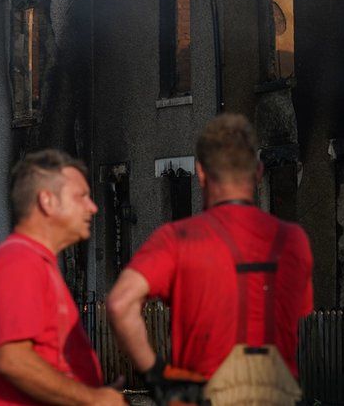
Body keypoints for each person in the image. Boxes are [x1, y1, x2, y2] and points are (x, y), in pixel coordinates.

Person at [108, 114, 314, 405]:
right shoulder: (292, 241)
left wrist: (157, 377)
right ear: (257, 172)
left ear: (201, 173)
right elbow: (298, 315)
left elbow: (120, 303)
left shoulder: (177, 239)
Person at [0, 149, 125, 406]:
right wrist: (94, 399)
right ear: (47, 201)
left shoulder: (35, 263)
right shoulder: (19, 262)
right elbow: (13, 359)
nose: (93, 207)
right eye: (81, 197)